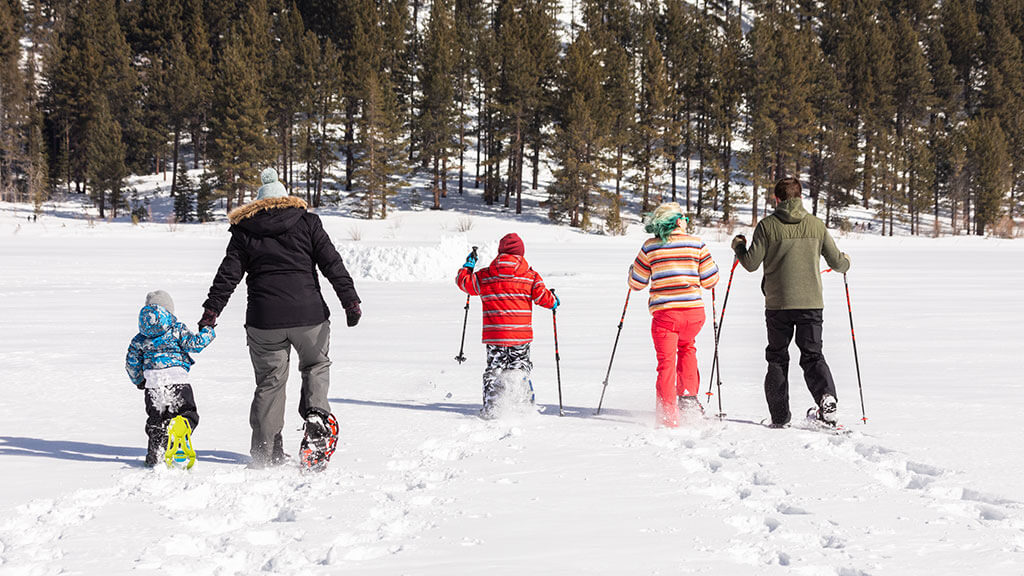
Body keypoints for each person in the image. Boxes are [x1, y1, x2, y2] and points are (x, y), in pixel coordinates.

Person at [201, 167, 361, 470]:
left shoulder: (245, 229)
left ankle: (266, 452)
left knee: (270, 383)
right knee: (315, 366)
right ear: (285, 198)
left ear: (258, 202)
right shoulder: (307, 222)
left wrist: (212, 311)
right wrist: (350, 301)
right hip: (309, 316)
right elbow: (332, 263)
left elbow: (228, 276)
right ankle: (316, 415)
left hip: (264, 321)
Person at [731, 176, 850, 428]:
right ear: (800, 197)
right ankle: (826, 398)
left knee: (777, 357)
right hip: (811, 303)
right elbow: (837, 263)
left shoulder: (767, 226)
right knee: (812, 354)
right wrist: (846, 261)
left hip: (777, 305)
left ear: (777, 199)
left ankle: (779, 416)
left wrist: (739, 247)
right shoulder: (816, 225)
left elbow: (751, 264)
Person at [628, 202, 720, 428]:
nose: (687, 221)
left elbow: (636, 283)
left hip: (666, 316)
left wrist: (631, 271)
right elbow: (710, 281)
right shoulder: (697, 244)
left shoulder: (650, 246)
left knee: (666, 363)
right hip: (694, 315)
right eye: (685, 218)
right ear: (678, 221)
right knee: (687, 348)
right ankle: (688, 399)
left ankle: (669, 413)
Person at [456, 233, 557, 419]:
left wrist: (467, 268)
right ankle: (523, 406)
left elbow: (466, 284)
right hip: (520, 336)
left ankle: (493, 408)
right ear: (521, 253)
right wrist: (554, 301)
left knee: (495, 369)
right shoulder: (530, 276)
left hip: (495, 336)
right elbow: (543, 297)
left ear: (500, 252)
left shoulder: (485, 275)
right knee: (519, 367)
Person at [125, 290, 215, 467]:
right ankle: (180, 428)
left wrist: (139, 380)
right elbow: (196, 344)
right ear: (169, 312)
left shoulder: (140, 338)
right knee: (188, 414)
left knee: (156, 421)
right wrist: (208, 330)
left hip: (153, 384)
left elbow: (132, 363)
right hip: (178, 381)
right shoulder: (176, 330)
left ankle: (154, 457)